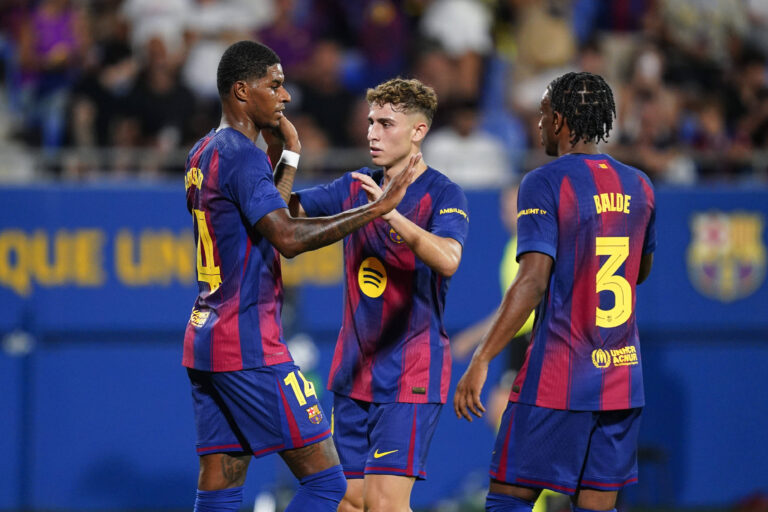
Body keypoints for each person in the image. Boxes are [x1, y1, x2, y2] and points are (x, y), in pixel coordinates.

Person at [182, 41, 418, 512]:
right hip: (248, 342)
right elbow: (287, 238)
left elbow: (265, 218)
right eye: (275, 85)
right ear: (242, 91)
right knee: (328, 482)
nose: (286, 95)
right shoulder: (239, 155)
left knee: (222, 481)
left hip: (206, 337)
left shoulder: (204, 150)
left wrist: (288, 155)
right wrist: (375, 209)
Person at [454, 71, 656, 512]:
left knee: (507, 499)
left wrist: (482, 357)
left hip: (558, 377)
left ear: (561, 120)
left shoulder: (544, 182)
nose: (539, 125)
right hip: (622, 380)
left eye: (544, 115)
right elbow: (639, 271)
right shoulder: (640, 186)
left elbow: (531, 281)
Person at [289, 78, 470, 512]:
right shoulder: (355, 186)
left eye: (386, 123)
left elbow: (448, 259)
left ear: (418, 131)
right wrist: (288, 153)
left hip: (410, 373)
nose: (372, 132)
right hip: (353, 371)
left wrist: (388, 214)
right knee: (348, 502)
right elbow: (283, 213)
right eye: (371, 121)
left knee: (386, 503)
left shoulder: (444, 193)